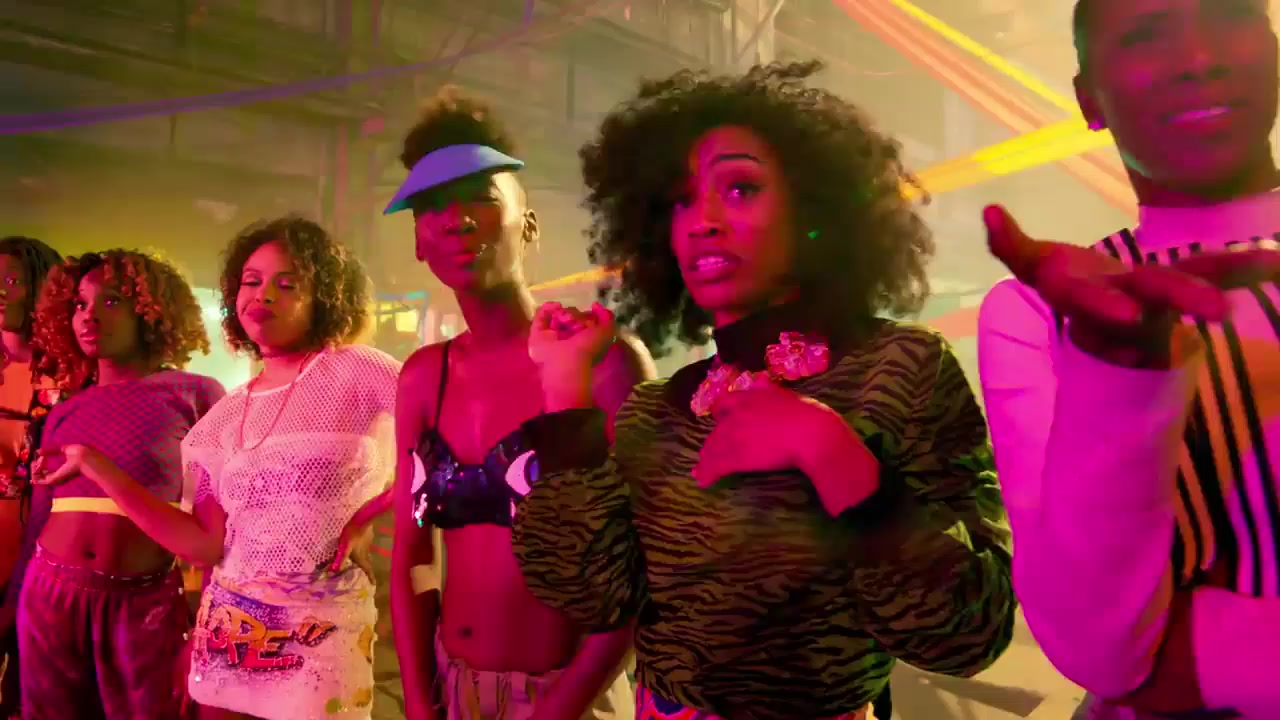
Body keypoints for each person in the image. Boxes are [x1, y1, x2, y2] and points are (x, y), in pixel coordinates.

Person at [512, 60, 1016, 720]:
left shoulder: (898, 368)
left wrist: (831, 451)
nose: (702, 221)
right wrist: (563, 386)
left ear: (812, 207)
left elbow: (971, 632)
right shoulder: (656, 411)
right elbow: (588, 595)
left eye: (741, 188)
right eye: (681, 200)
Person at [978, 0, 1280, 717]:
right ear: (1089, 100)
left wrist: (1208, 655)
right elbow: (1100, 650)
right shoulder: (1040, 313)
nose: (1198, 60)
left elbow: (1151, 674)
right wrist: (1119, 369)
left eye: (1228, 17)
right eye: (1146, 36)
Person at [384, 87, 652, 720]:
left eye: (480, 197)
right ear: (419, 241)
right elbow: (412, 557)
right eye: (433, 207)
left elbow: (642, 565)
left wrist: (557, 710)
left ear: (527, 224)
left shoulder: (602, 362)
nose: (457, 220)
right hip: (453, 690)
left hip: (572, 699)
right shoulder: (424, 378)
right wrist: (420, 702)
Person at [68, 218, 398, 720]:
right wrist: (99, 470)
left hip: (323, 633)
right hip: (226, 632)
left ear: (325, 298)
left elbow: (445, 445)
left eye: (288, 284)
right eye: (251, 281)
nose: (263, 294)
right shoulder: (219, 419)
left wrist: (376, 510)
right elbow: (205, 546)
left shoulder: (357, 369)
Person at [21, 249, 223, 719]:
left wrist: (206, 628)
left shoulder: (196, 395)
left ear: (151, 311)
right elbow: (37, 520)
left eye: (110, 301)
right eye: (80, 304)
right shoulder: (65, 411)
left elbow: (221, 527)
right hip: (49, 596)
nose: (88, 316)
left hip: (144, 606)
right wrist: (11, 612)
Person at [0, 236, 62, 719]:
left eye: (13, 280)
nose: (2, 290)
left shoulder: (71, 372)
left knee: (29, 688)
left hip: (44, 550)